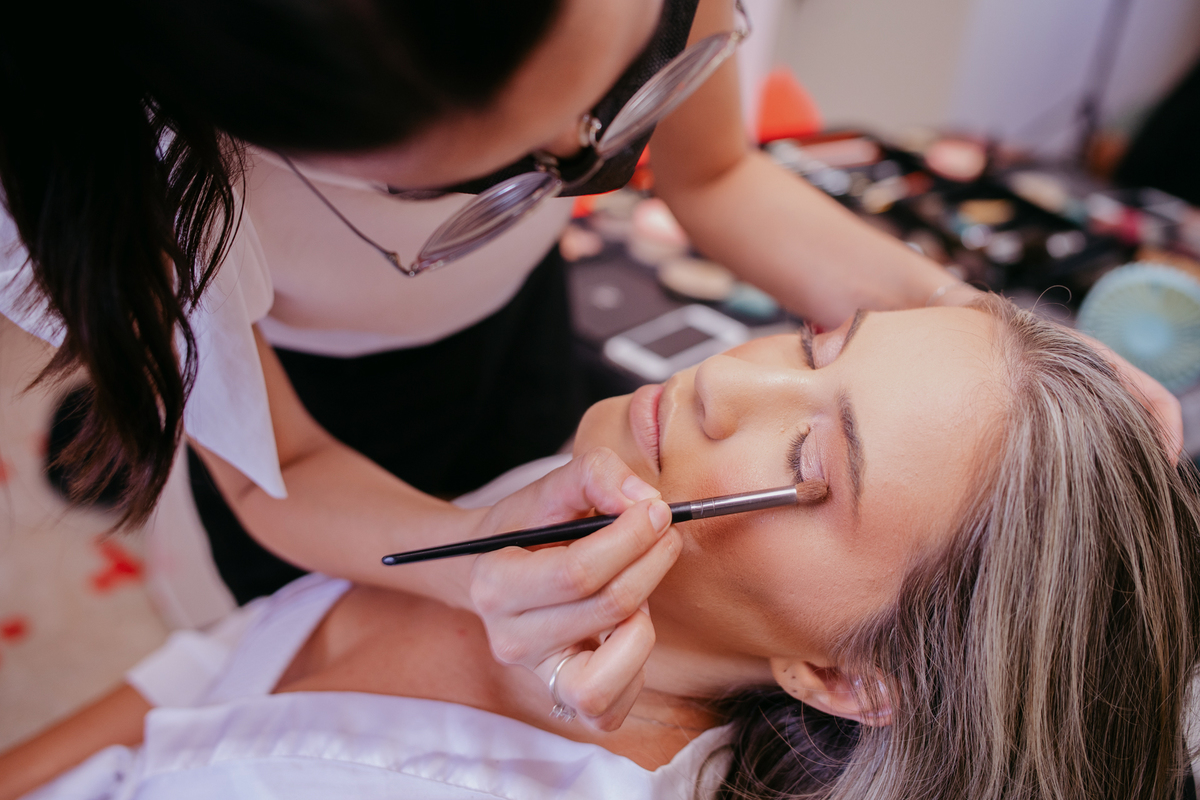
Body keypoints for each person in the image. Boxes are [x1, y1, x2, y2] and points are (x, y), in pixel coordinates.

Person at [0, 0, 1183, 730]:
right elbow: (284, 474)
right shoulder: (133, 177)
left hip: (516, 339)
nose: (721, 376)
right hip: (316, 435)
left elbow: (717, 176)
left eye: (612, 104)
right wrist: (472, 560)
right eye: (508, 167)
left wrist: (959, 317)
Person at [3, 298, 1197, 800]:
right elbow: (211, 672)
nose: (725, 380)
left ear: (847, 675)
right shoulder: (583, 502)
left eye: (811, 461)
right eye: (815, 341)